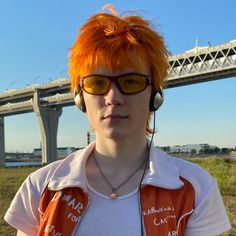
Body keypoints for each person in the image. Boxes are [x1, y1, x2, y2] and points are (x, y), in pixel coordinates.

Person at [5, 4, 231, 236]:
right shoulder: (41, 188)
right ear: (80, 98)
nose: (113, 98)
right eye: (97, 83)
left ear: (155, 95)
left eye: (131, 82)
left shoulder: (195, 189)